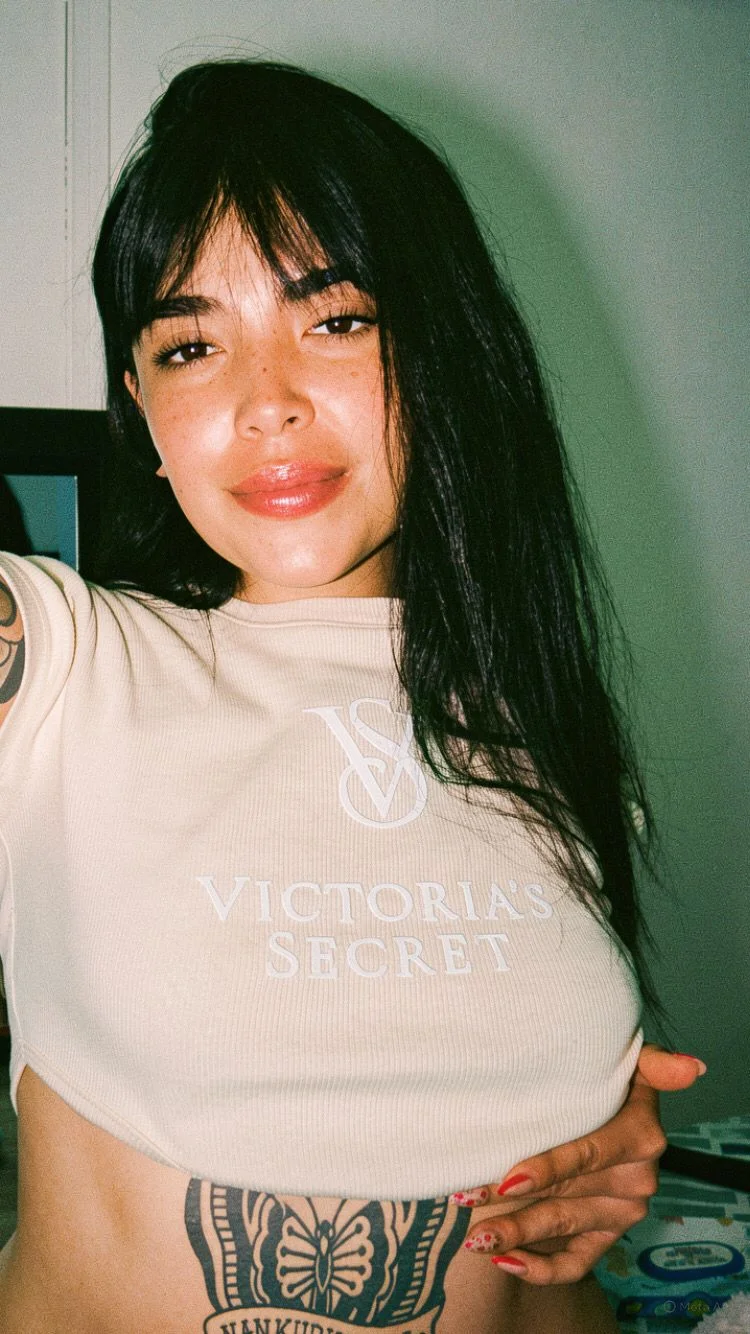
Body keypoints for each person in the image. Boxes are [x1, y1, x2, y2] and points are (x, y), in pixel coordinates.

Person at [0, 59, 704, 1333]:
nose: (265, 402)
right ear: (140, 411)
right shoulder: (64, 665)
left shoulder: (543, 729)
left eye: (335, 320)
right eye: (191, 345)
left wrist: (607, 1131)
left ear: (442, 351)